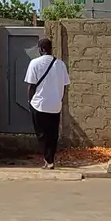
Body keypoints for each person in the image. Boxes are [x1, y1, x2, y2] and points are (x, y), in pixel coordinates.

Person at [24, 38, 70, 169]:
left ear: (41, 49)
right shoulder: (60, 64)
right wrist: (60, 98)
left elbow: (31, 86)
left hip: (39, 104)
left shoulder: (34, 63)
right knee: (53, 134)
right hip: (55, 105)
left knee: (42, 134)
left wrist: (30, 101)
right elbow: (65, 85)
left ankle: (48, 160)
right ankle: (50, 160)